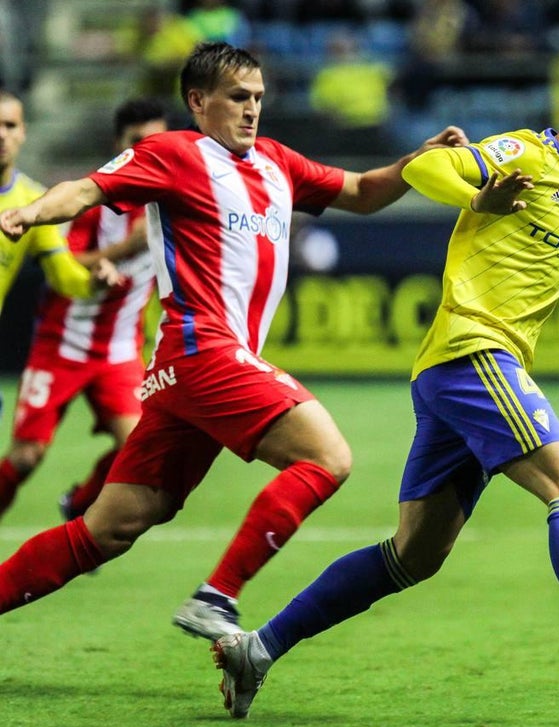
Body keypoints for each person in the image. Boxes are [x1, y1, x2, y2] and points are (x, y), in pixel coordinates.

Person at [211, 62, 559, 718]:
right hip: (473, 354)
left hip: (457, 373)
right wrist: (478, 197)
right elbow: (426, 168)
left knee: (413, 554)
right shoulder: (523, 155)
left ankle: (258, 649)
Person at [0, 43, 466, 640]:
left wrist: (417, 161)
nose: (252, 110)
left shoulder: (277, 162)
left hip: (191, 371)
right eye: (238, 98)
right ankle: (217, 596)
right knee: (327, 457)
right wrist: (31, 213)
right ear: (198, 102)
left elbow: (362, 191)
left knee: (111, 527)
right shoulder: (173, 154)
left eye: (259, 98)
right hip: (204, 351)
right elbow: (88, 190)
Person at [0, 97, 169, 525]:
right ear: (120, 146)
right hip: (63, 343)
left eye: (158, 142)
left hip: (118, 351)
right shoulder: (87, 200)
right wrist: (119, 251)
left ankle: (79, 504)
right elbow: (64, 263)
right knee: (25, 457)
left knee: (137, 447)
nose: (149, 153)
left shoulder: (173, 203)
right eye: (137, 143)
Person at [0, 90, 120, 417]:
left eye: (10, 125)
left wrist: (92, 283)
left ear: (23, 131)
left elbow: (62, 273)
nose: (2, 134)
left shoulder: (33, 202)